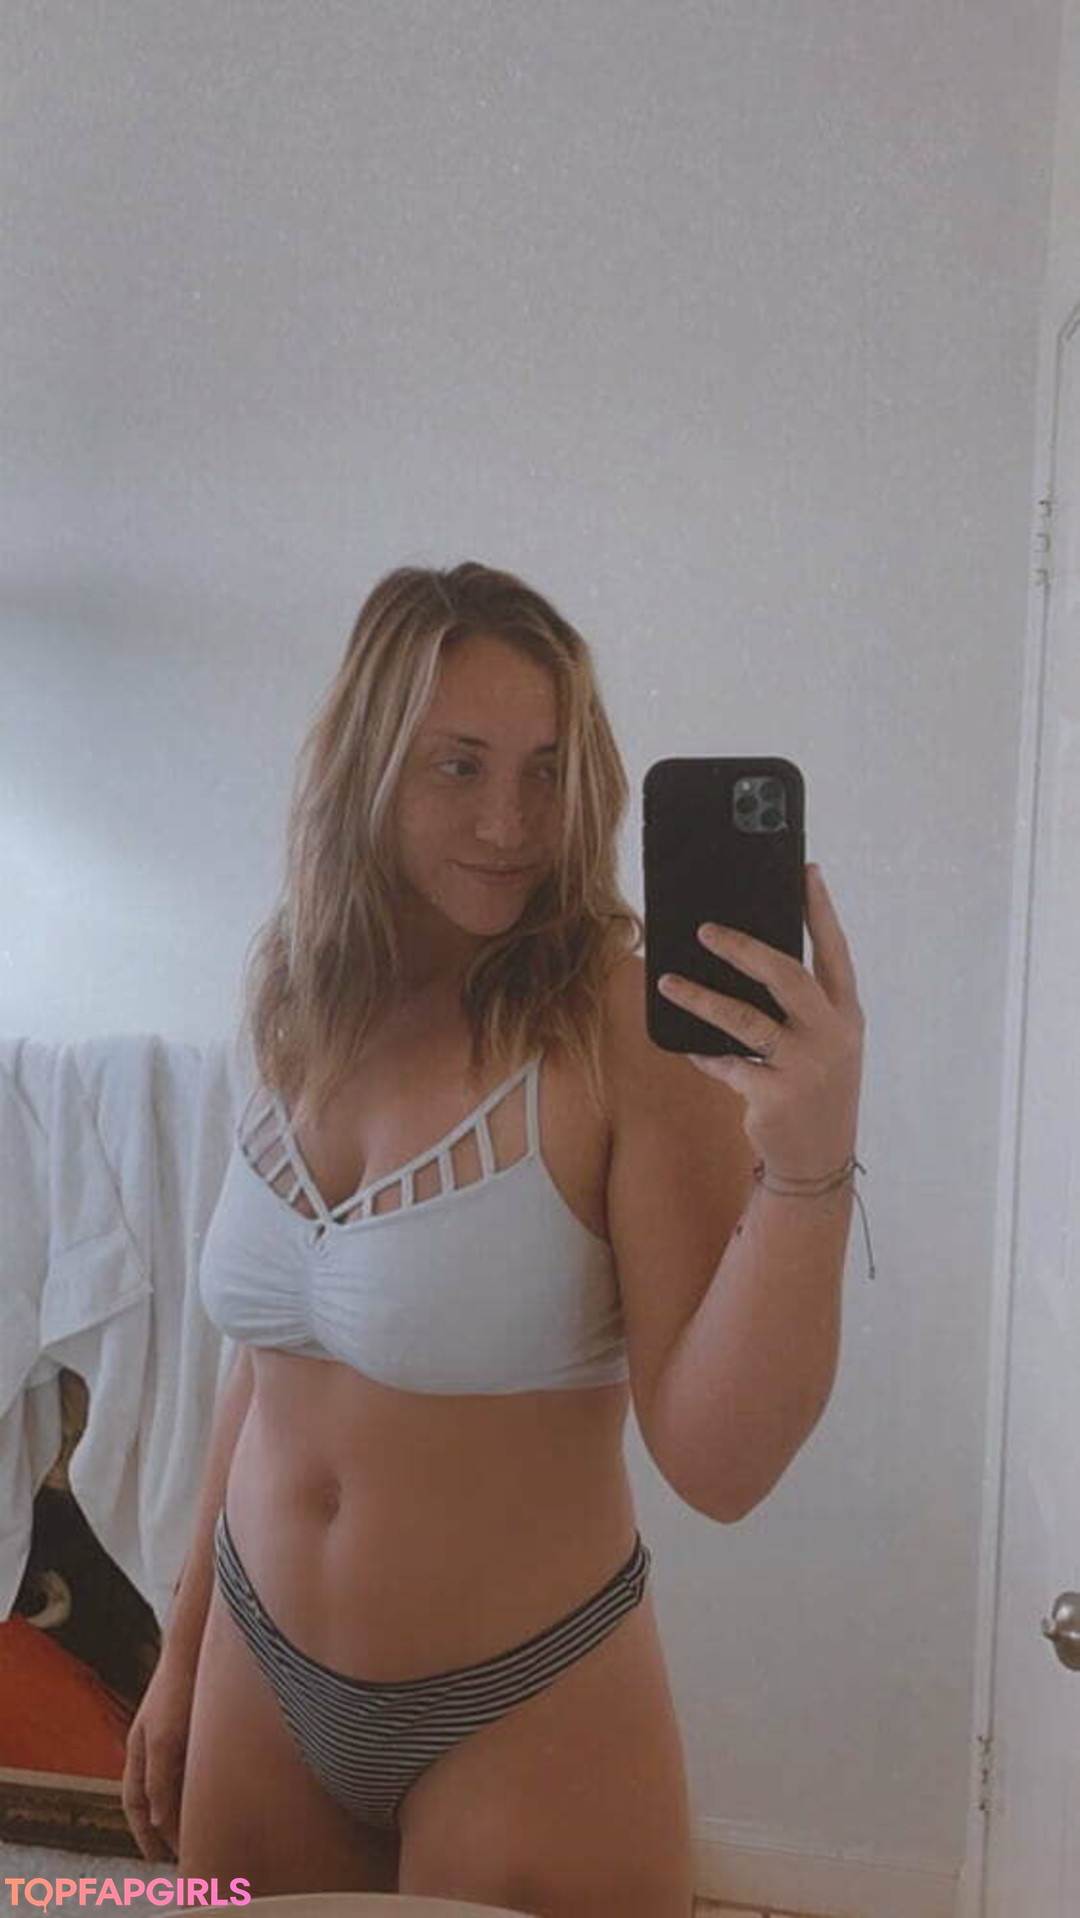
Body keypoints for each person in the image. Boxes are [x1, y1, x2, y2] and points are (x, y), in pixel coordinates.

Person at [120, 561, 864, 1916]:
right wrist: (180, 1650)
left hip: (525, 1706)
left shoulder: (617, 1027)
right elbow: (271, 1360)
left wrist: (808, 1166)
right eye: (457, 766)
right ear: (365, 765)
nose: (512, 822)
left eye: (545, 769)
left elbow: (722, 1463)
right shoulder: (296, 993)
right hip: (256, 1665)